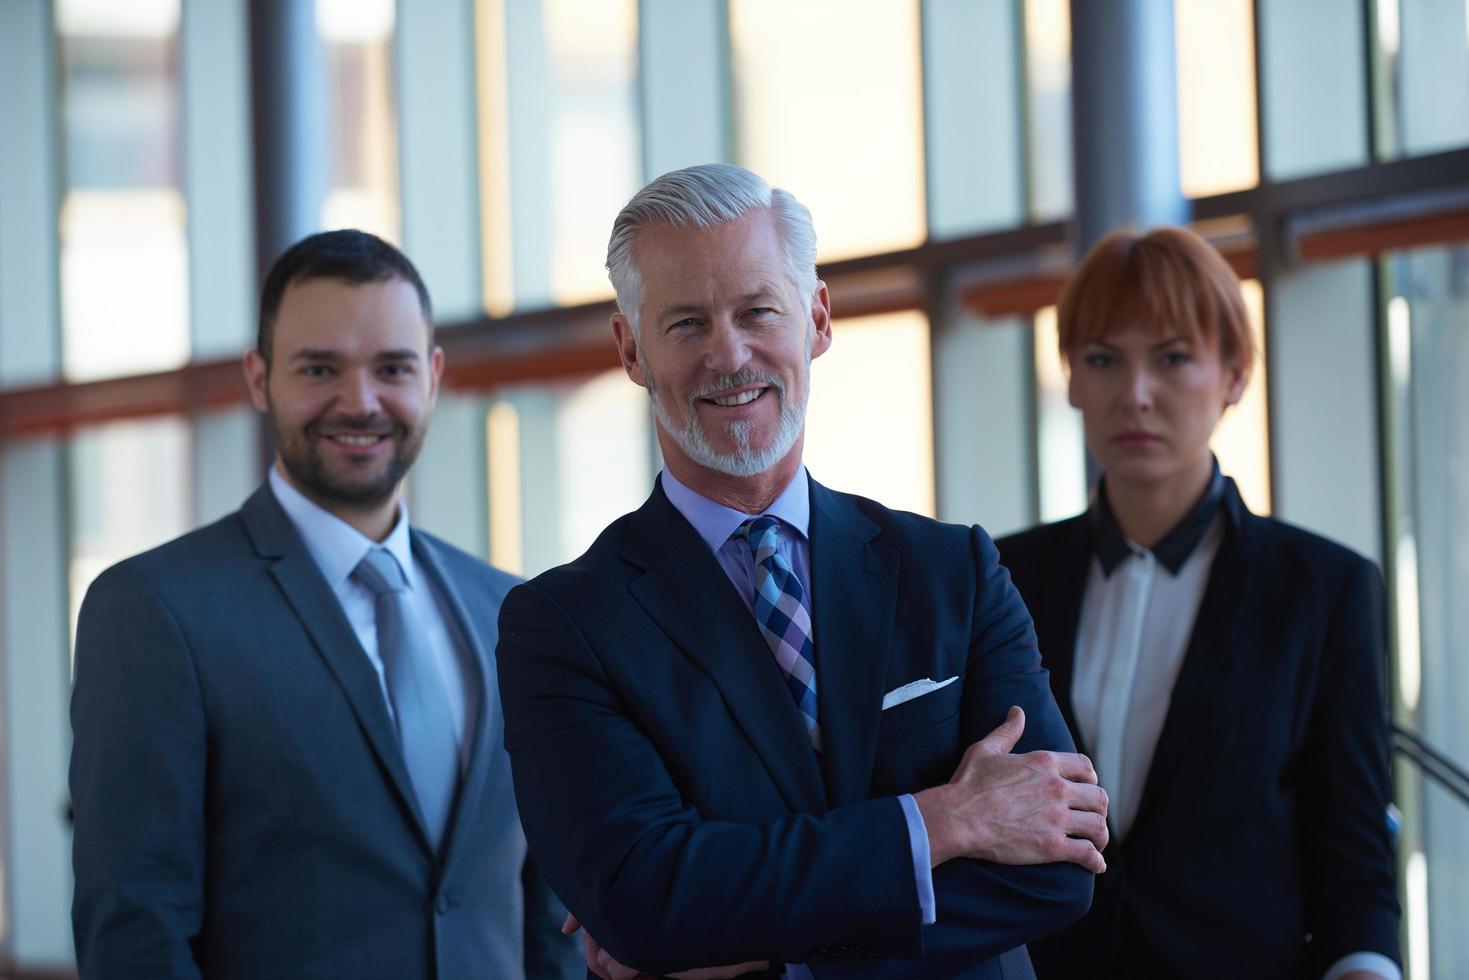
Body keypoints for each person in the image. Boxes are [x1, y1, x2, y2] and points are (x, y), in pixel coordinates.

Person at [495, 164, 1108, 980]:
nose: (728, 353)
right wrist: (937, 825)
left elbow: (1057, 873)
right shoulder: (565, 624)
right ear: (630, 349)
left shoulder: (952, 571)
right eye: (684, 324)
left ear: (816, 318)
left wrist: (757, 955)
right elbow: (641, 898)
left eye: (757, 312)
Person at [70, 230, 580, 980]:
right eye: (319, 368)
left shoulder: (508, 608)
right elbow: (134, 933)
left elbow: (549, 919)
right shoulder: (155, 610)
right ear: (258, 378)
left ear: (432, 377)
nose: (360, 401)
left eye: (392, 368)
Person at [995, 227, 1401, 980]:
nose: (1134, 394)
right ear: (1072, 381)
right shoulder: (1000, 575)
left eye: (1172, 358)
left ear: (1235, 375)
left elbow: (1352, 850)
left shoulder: (1321, 589)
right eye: (1102, 360)